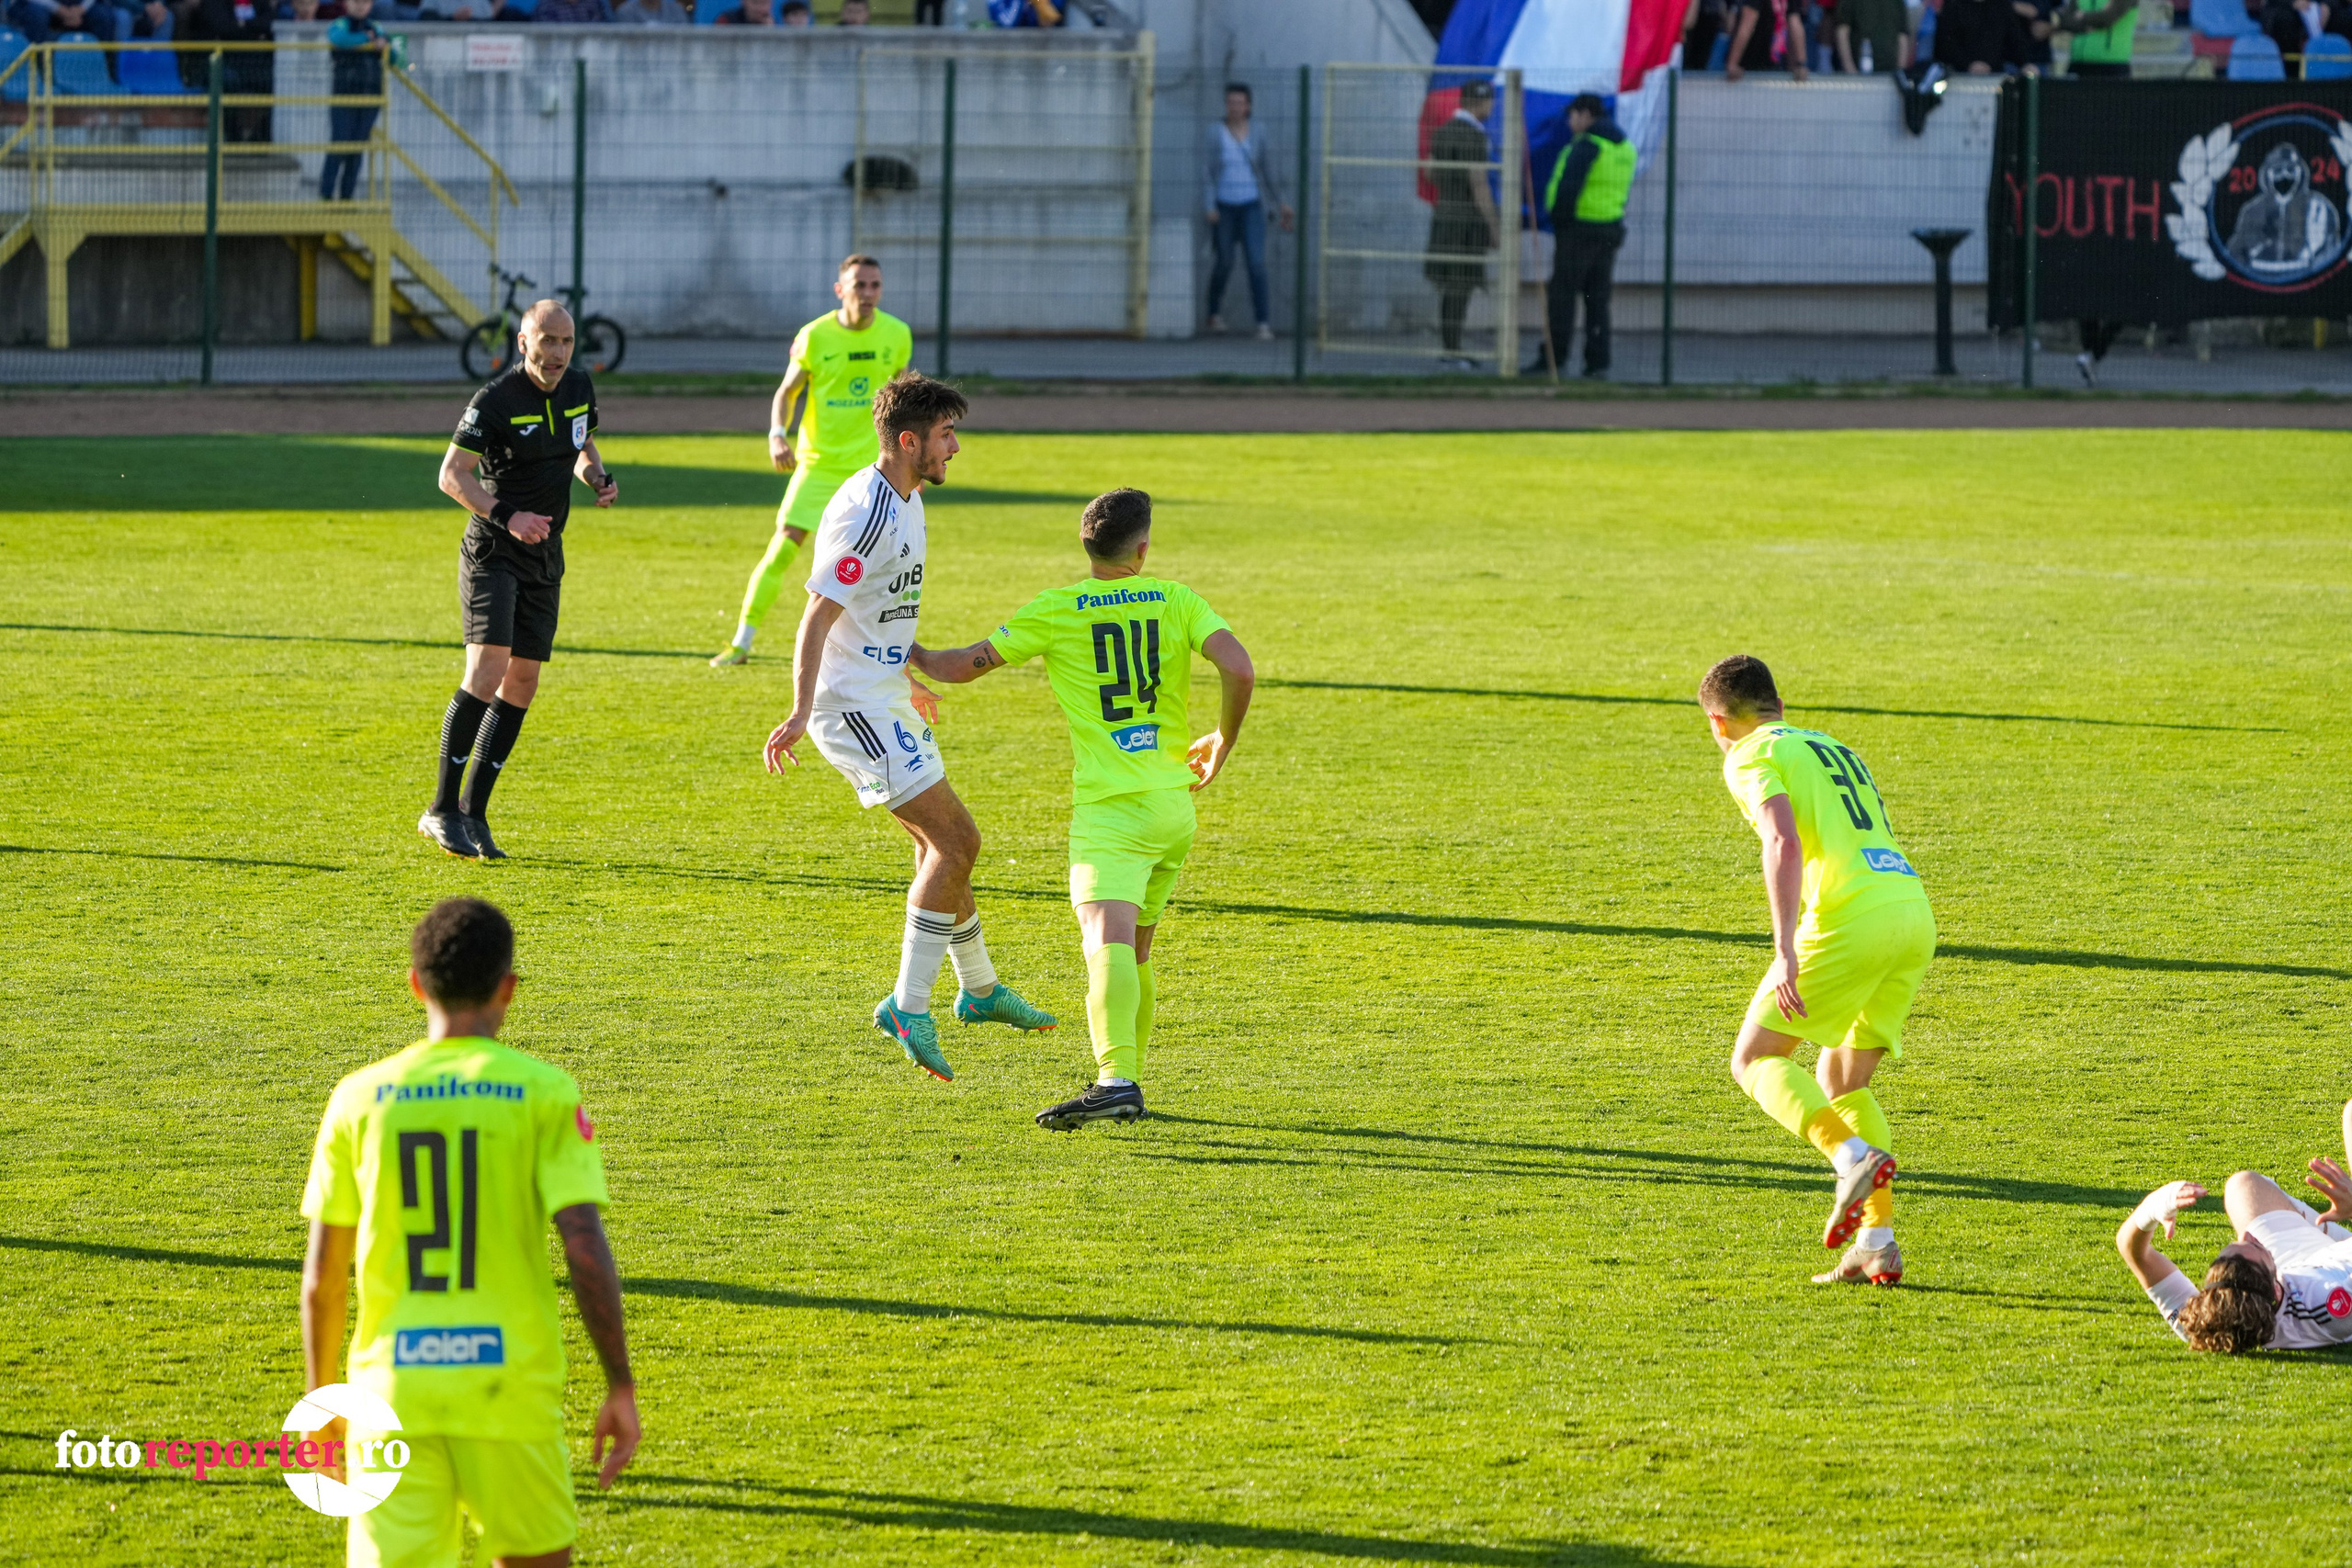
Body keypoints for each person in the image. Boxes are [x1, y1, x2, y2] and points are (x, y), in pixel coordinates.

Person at [298, 897, 640, 1567]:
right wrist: (619, 1384)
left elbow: (322, 1279)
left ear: (416, 984)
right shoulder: (543, 1091)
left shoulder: (359, 1098)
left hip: (392, 1396)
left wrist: (322, 1401)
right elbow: (583, 1245)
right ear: (508, 988)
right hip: (508, 1390)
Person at [909, 489, 1253, 1131]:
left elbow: (960, 667)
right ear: (1142, 549)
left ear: (1086, 545)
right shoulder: (1177, 599)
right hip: (1173, 808)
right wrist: (1223, 739)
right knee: (1136, 951)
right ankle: (1128, 1081)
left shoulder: (1058, 608)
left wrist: (909, 648)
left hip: (1112, 814)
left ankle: (1116, 1081)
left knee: (1106, 943)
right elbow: (1239, 667)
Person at [763, 374, 1057, 1081]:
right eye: (946, 435)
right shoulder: (866, 512)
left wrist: (909, 668)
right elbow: (817, 616)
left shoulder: (910, 497)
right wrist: (800, 710)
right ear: (907, 440)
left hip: (883, 693)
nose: (955, 447)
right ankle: (909, 1004)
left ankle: (980, 988)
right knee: (958, 841)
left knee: (939, 846)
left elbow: (880, 608)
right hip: (851, 706)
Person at [1699, 655, 1936, 1286]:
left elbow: (1782, 840)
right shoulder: (1833, 746)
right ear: (1780, 705)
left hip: (1851, 917)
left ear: (1719, 722)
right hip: (1911, 911)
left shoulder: (1747, 753)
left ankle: (1850, 1156)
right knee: (1842, 1079)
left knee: (1754, 1058)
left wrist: (1784, 948)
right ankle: (1876, 1243)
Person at [421, 300, 616, 862]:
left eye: (566, 341)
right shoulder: (495, 400)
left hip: (545, 555)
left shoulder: (578, 387)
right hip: (494, 551)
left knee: (523, 682)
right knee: (487, 670)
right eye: (547, 340)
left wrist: (596, 476)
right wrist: (508, 516)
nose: (558, 353)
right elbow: (451, 476)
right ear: (523, 341)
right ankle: (441, 809)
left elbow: (580, 444)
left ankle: (474, 813)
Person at [713, 255, 911, 667]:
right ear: (840, 290)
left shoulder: (897, 333)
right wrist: (777, 434)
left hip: (874, 472)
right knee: (783, 549)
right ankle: (741, 643)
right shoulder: (814, 335)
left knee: (886, 565)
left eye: (875, 285)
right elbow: (787, 392)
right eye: (859, 285)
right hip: (818, 466)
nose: (868, 293)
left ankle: (885, 655)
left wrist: (911, 463)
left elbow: (904, 402)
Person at [2118, 1110, 2352, 1352]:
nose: (2246, 1234)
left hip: (2303, 1264)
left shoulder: (2209, 1318)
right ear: (2274, 1289)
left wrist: (2156, 1206)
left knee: (2243, 1186)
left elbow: (2133, 1251)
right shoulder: (2331, 1309)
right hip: (2340, 1267)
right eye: (2256, 1246)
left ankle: (2326, 1227)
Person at [1528, 93, 1634, 381]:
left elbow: (1568, 189)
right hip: (1609, 230)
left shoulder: (1588, 145)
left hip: (1578, 232)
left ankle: (1553, 358)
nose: (1570, 122)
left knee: (1562, 297)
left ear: (1586, 115)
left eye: (1573, 115)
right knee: (1596, 299)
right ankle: (1597, 363)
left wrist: (1558, 222)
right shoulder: (1625, 147)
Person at [1202, 82, 1294, 341]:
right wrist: (1209, 205)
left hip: (1252, 205)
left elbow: (1269, 169)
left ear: (1248, 106)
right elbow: (1207, 172)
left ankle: (1263, 322)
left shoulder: (1259, 131)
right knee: (1224, 261)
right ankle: (1213, 313)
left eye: (1240, 103)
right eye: (1231, 102)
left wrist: (1281, 201)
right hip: (1224, 207)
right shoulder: (1215, 132)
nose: (1235, 107)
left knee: (1256, 263)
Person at [1424, 77, 1498, 371]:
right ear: (1481, 103)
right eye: (1490, 102)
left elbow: (1430, 172)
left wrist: (1449, 186)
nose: (1492, 107)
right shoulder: (1475, 136)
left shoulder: (1443, 131)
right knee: (1462, 284)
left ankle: (1450, 347)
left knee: (1451, 285)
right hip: (1467, 221)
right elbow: (1479, 184)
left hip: (1445, 214)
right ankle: (1452, 350)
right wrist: (1493, 226)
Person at [320, 0, 384, 202]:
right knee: (340, 144)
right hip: (344, 95)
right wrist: (367, 40)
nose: (360, 6)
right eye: (356, 1)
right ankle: (326, 195)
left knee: (357, 149)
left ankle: (347, 196)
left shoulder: (377, 27)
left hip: (370, 97)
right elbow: (338, 38)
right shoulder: (341, 24)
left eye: (365, 2)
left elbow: (395, 54)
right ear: (347, 3)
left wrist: (385, 46)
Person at [1932, 0, 2030, 72]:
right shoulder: (1953, 5)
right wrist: (1968, 64)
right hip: (1960, 74)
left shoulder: (2002, 6)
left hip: (1996, 73)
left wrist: (2026, 63)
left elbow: (2015, 40)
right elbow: (1945, 43)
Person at [1725, 0, 1811, 78]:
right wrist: (1800, 64)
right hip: (1764, 60)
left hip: (1756, 61)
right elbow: (1795, 21)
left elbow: (1747, 24)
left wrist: (1732, 64)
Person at [1835, 0, 1913, 69]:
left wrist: (1900, 70)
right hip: (1861, 69)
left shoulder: (1897, 2)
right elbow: (1842, 31)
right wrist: (1850, 70)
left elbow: (1902, 36)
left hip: (1890, 70)